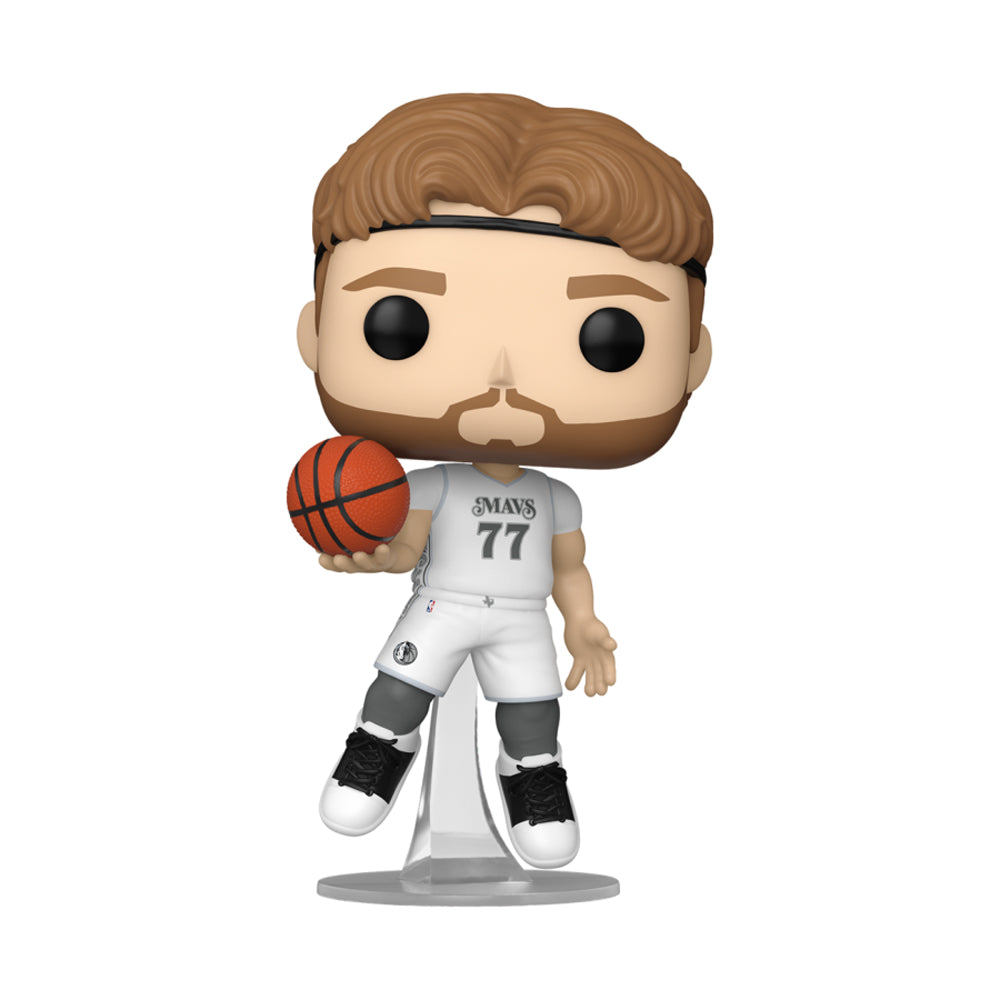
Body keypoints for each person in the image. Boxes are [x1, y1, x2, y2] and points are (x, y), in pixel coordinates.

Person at [294, 93, 713, 869]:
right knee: (397, 690)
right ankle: (378, 751)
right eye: (402, 321)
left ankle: (532, 779)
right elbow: (408, 544)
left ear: (694, 356)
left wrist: (583, 622)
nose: (502, 380)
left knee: (533, 715)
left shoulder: (557, 496)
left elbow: (569, 566)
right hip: (444, 603)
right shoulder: (432, 484)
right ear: (314, 331)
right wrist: (375, 557)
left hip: (521, 614)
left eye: (608, 339)